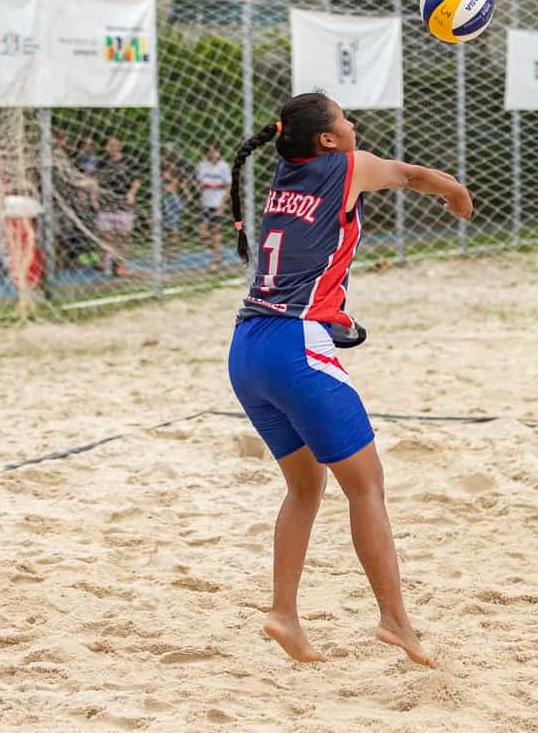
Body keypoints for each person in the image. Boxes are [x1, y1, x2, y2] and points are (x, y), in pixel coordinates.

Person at [225, 91, 472, 667]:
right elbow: (413, 176)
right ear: (328, 141)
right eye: (343, 118)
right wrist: (457, 193)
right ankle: (394, 620)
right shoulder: (347, 166)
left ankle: (284, 612)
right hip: (295, 346)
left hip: (245, 349)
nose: (353, 122)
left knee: (305, 488)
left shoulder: (286, 173)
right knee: (367, 487)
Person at [95, 136, 141, 277]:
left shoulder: (129, 161)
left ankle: (121, 265)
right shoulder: (102, 163)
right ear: (106, 147)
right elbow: (95, 182)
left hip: (123, 204)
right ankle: (105, 262)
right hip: (106, 203)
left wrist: (131, 194)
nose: (113, 147)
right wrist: (95, 198)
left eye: (115, 144)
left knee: (124, 236)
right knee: (106, 236)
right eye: (110, 144)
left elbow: (137, 180)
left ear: (120, 145)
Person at [196, 143, 231, 271]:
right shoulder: (202, 165)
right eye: (210, 151)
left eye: (215, 151)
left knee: (216, 232)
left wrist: (222, 206)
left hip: (217, 203)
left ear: (219, 152)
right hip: (205, 203)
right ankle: (218, 253)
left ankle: (215, 261)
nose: (213, 153)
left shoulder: (224, 166)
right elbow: (199, 183)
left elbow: (228, 187)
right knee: (202, 232)